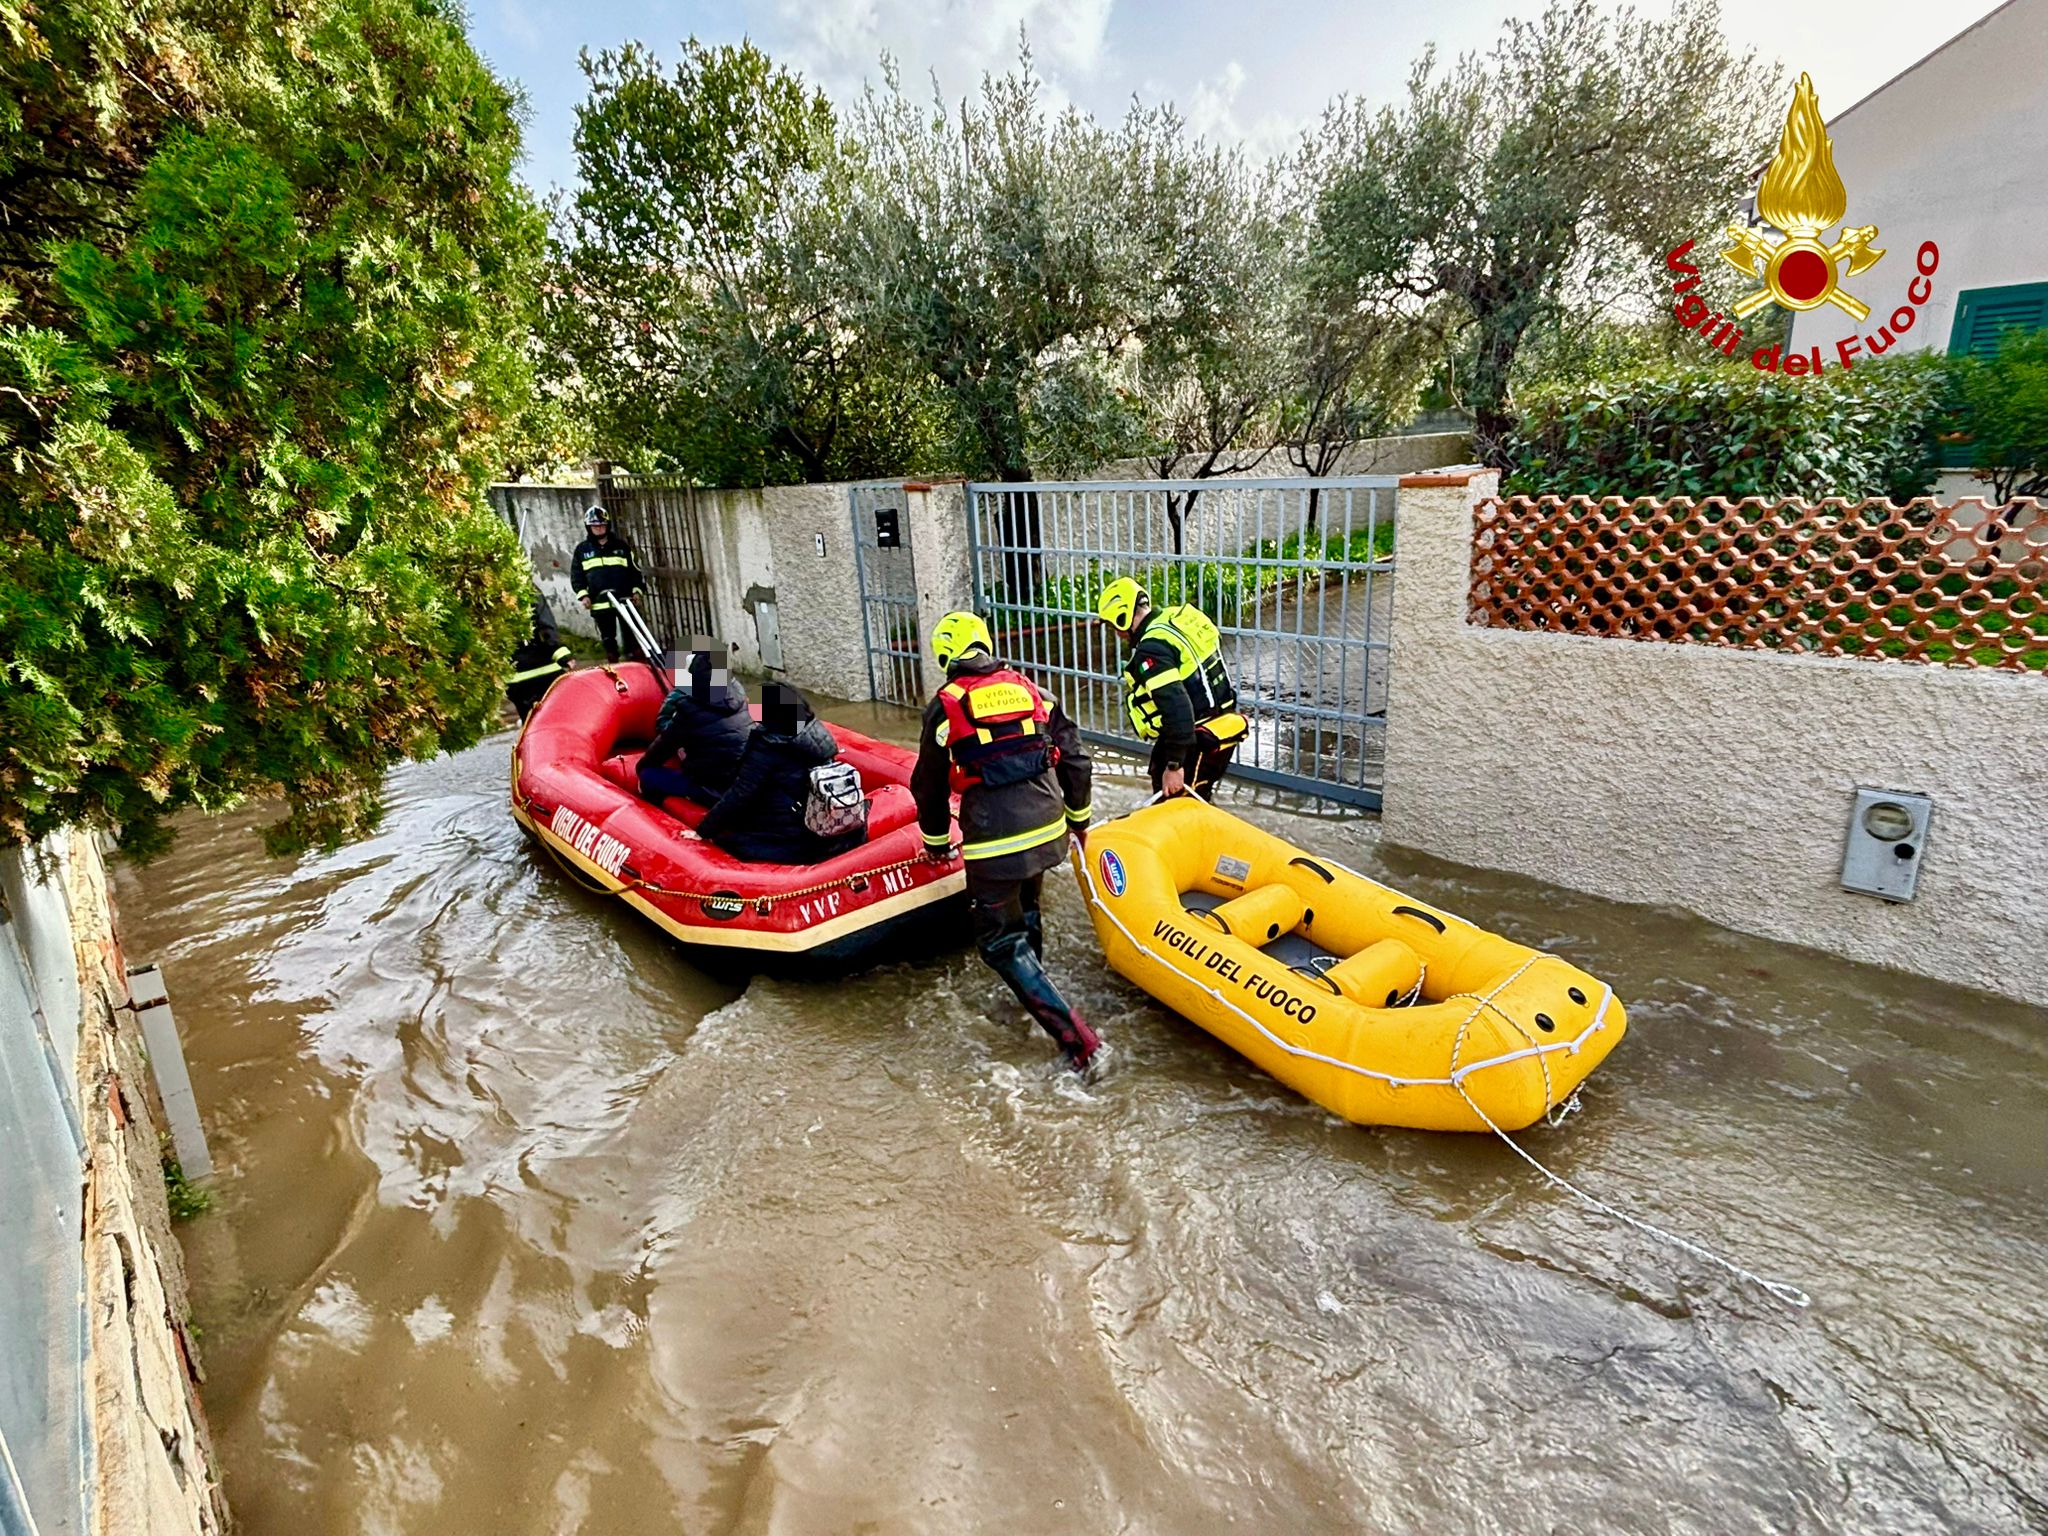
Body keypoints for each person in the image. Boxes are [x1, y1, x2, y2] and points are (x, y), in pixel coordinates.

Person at [911, 611, 1100, 1072]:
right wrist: (1078, 819)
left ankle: (1078, 1041)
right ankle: (1031, 993)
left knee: (998, 944)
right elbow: (1075, 759)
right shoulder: (1031, 689)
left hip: (995, 844)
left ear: (945, 657)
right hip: (1049, 832)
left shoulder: (946, 705)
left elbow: (928, 786)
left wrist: (936, 841)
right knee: (1028, 909)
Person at [1095, 576, 1246, 801]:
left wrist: (1174, 766)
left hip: (1192, 740)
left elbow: (1177, 708)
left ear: (1122, 616)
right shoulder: (1179, 618)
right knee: (1200, 796)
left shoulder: (1152, 649)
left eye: (1112, 625)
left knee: (1176, 806)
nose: (1116, 633)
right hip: (1222, 729)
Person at [698, 682, 865, 865]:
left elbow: (741, 793)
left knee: (729, 843)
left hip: (791, 834)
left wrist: (703, 831)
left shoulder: (767, 747)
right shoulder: (815, 734)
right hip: (819, 821)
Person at [638, 646, 751, 808]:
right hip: (741, 781)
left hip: (713, 788)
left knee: (648, 775)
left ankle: (658, 816)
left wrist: (640, 767)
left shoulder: (689, 709)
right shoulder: (739, 695)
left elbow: (660, 750)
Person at [569, 506, 645, 663]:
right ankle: (614, 666)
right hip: (600, 603)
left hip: (625, 600)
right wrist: (583, 595)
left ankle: (637, 665)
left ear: (608, 525)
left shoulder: (621, 547)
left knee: (633, 635)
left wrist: (637, 591)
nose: (598, 528)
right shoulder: (582, 550)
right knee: (608, 639)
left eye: (601, 525)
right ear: (589, 527)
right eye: (595, 526)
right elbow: (577, 576)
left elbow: (635, 571)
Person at [507, 595, 572, 720]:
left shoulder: (483, 589)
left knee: (530, 723)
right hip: (545, 669)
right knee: (559, 718)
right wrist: (560, 653)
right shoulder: (528, 589)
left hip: (514, 677)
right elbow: (545, 625)